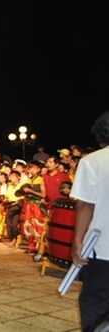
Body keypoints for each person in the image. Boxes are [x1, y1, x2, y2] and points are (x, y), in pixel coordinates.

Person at [71, 110, 109, 332]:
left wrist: (77, 240)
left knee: (95, 302)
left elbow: (85, 204)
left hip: (102, 248)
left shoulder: (92, 162)